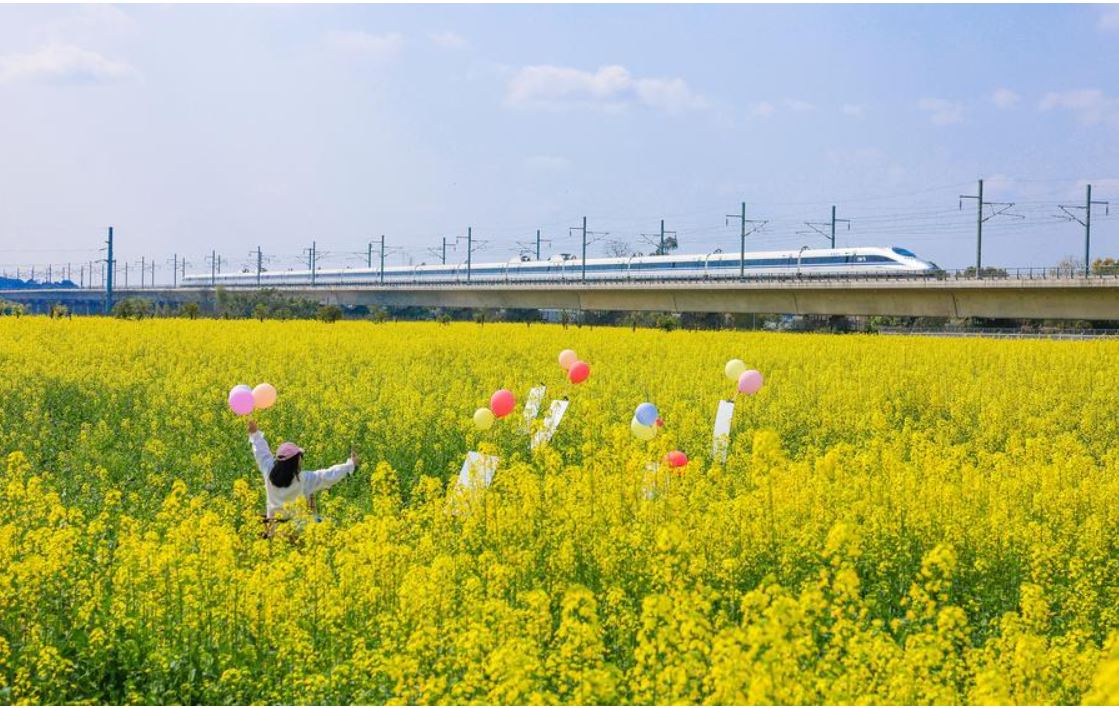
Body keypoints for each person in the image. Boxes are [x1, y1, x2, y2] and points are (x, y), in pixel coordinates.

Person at [247, 419, 358, 534]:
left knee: (311, 503)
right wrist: (350, 464)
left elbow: (261, 453)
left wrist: (255, 434)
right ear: (296, 461)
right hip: (298, 530)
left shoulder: (268, 470)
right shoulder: (303, 479)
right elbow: (327, 475)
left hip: (274, 528)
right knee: (331, 523)